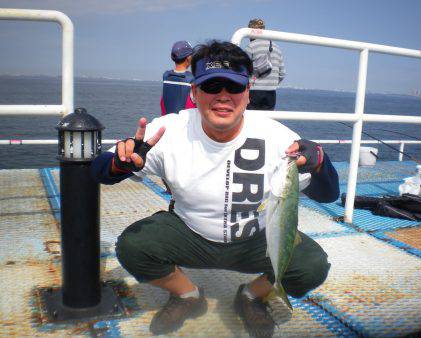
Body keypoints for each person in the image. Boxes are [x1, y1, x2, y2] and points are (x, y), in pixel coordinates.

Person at [91, 40, 339, 337]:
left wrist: (321, 163)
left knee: (312, 266)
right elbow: (100, 170)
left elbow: (328, 194)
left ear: (248, 93)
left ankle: (251, 296)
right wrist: (120, 164)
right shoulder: (168, 131)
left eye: (233, 87)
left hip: (257, 238)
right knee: (132, 246)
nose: (223, 96)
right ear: (194, 92)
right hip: (190, 233)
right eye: (212, 86)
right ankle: (187, 295)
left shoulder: (278, 138)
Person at [245, 18, 285, 111]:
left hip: (254, 92)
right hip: (271, 93)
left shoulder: (251, 47)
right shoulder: (276, 47)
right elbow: (282, 74)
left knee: (251, 119)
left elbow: (243, 71)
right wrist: (271, 83)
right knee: (266, 119)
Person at [160, 40, 196, 115]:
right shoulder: (192, 79)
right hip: (185, 124)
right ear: (188, 58)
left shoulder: (166, 76)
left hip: (167, 122)